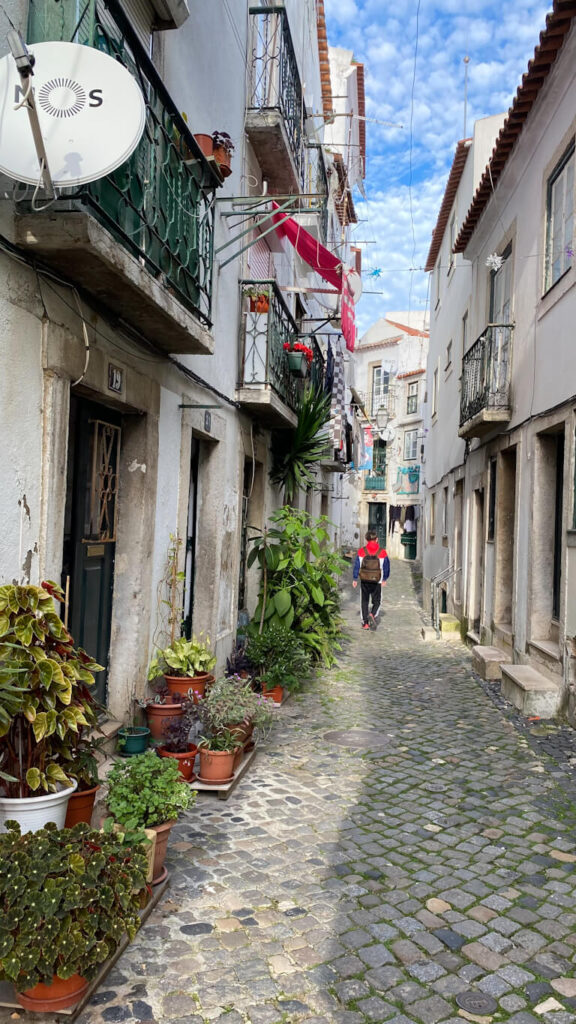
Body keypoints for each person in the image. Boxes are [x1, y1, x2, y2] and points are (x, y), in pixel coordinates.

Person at [352, 530, 390, 630]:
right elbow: (386, 566)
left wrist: (355, 578)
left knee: (364, 601)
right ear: (376, 539)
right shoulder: (382, 552)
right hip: (377, 580)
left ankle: (365, 623)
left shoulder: (361, 551)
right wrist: (385, 578)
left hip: (364, 579)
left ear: (366, 540)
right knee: (377, 601)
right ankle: (372, 614)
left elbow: (357, 565)